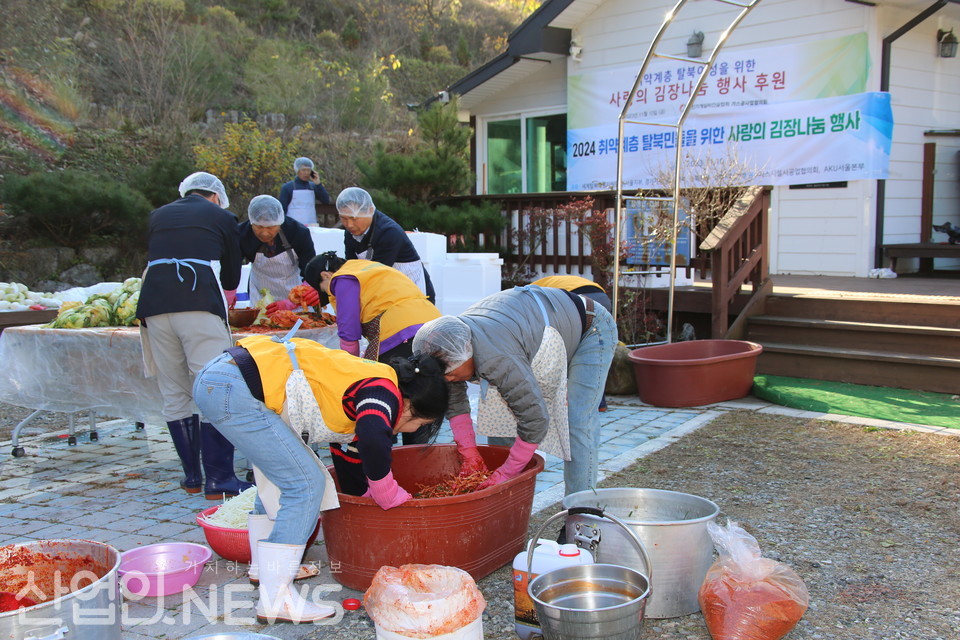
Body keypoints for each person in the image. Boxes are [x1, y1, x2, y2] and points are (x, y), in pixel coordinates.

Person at [193, 336, 448, 623]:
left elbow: (351, 457)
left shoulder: (367, 391)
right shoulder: (383, 390)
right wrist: (385, 489)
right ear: (410, 403)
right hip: (233, 386)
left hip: (225, 379)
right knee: (305, 483)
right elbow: (374, 439)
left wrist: (364, 500)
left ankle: (264, 569)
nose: (410, 429)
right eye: (418, 423)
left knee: (279, 476)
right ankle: (277, 599)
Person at [412, 285, 617, 497]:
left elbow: (535, 419)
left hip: (591, 328)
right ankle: (509, 507)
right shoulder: (449, 342)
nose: (449, 379)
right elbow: (455, 403)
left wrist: (505, 473)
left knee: (577, 420)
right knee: (500, 423)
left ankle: (581, 514)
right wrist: (470, 455)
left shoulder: (496, 358)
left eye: (452, 374)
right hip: (534, 330)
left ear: (467, 353)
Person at [136, 171, 253, 500]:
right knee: (214, 386)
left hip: (154, 306)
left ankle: (191, 477)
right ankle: (220, 480)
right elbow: (231, 273)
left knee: (174, 391)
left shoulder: (157, 215)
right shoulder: (222, 216)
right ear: (215, 196)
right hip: (198, 303)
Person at [302, 252, 442, 444]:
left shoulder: (342, 279)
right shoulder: (366, 267)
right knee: (420, 394)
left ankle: (385, 458)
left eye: (324, 290)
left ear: (326, 276)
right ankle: (416, 458)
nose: (328, 294)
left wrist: (348, 373)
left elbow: (349, 333)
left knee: (388, 399)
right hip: (433, 327)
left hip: (401, 331)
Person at [338, 187, 436, 303]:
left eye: (354, 219)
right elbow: (351, 265)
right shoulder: (351, 231)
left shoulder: (389, 232)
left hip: (412, 292)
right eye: (343, 218)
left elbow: (376, 274)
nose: (349, 224)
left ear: (369, 211)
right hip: (386, 290)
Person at [532, 274, 612, 411]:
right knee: (594, 351)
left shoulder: (528, 296)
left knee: (567, 350)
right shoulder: (542, 285)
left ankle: (563, 402)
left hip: (577, 298)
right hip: (602, 297)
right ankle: (600, 404)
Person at [237, 195, 316, 309]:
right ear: (251, 222)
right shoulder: (242, 234)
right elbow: (232, 265)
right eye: (258, 227)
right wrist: (229, 290)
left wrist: (295, 300)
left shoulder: (298, 232)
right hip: (260, 295)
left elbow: (310, 269)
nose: (265, 233)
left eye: (271, 227)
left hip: (294, 294)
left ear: (280, 222)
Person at [278, 157, 331, 226]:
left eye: (308, 170)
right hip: (293, 225)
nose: (306, 173)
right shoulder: (287, 187)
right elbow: (282, 209)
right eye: (303, 170)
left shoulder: (313, 187)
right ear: (297, 170)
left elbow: (326, 200)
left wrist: (318, 184)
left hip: (311, 224)